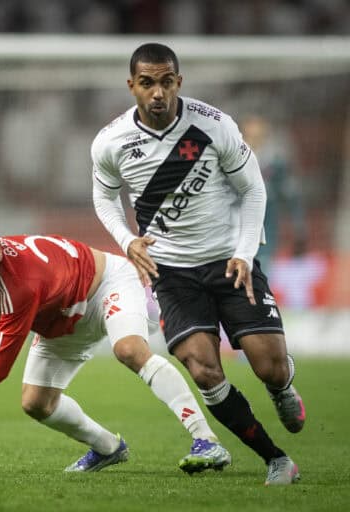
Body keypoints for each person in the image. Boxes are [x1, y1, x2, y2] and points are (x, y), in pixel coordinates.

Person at [0, 214, 231, 474]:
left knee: (129, 350)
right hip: (60, 319)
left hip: (106, 286)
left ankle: (206, 440)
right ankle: (107, 449)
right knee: (36, 404)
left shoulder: (20, 283)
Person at [90, 43, 305, 486]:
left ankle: (282, 385)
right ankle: (276, 459)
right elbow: (104, 197)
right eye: (147, 83)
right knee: (204, 370)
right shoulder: (110, 143)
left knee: (270, 366)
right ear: (131, 85)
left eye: (166, 82)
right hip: (171, 273)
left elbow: (254, 190)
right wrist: (128, 240)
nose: (157, 93)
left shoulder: (213, 125)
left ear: (178, 82)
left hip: (230, 263)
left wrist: (245, 252)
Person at [240, 114, 307, 274]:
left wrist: (299, 226)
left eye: (259, 136)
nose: (255, 139)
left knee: (263, 264)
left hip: (266, 219)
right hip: (239, 218)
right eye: (251, 135)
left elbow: (290, 192)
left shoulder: (276, 162)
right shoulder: (234, 158)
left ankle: (260, 294)